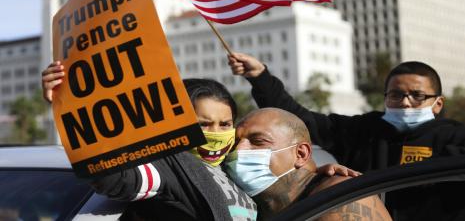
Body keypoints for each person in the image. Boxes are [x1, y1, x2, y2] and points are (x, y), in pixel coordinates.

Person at [42, 61, 358, 221]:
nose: (216, 132)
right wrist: (72, 110)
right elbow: (114, 177)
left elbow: (287, 180)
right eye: (203, 124)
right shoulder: (171, 165)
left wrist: (320, 174)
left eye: (225, 124)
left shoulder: (236, 173)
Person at [228, 52, 465, 220]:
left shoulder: (457, 138)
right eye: (395, 95)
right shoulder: (365, 131)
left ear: (437, 103)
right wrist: (261, 78)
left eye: (417, 96)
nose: (404, 102)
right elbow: (298, 121)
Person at [225, 107, 392, 221]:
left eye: (258, 141)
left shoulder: (338, 199)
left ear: (301, 154)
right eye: (235, 142)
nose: (238, 150)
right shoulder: (247, 203)